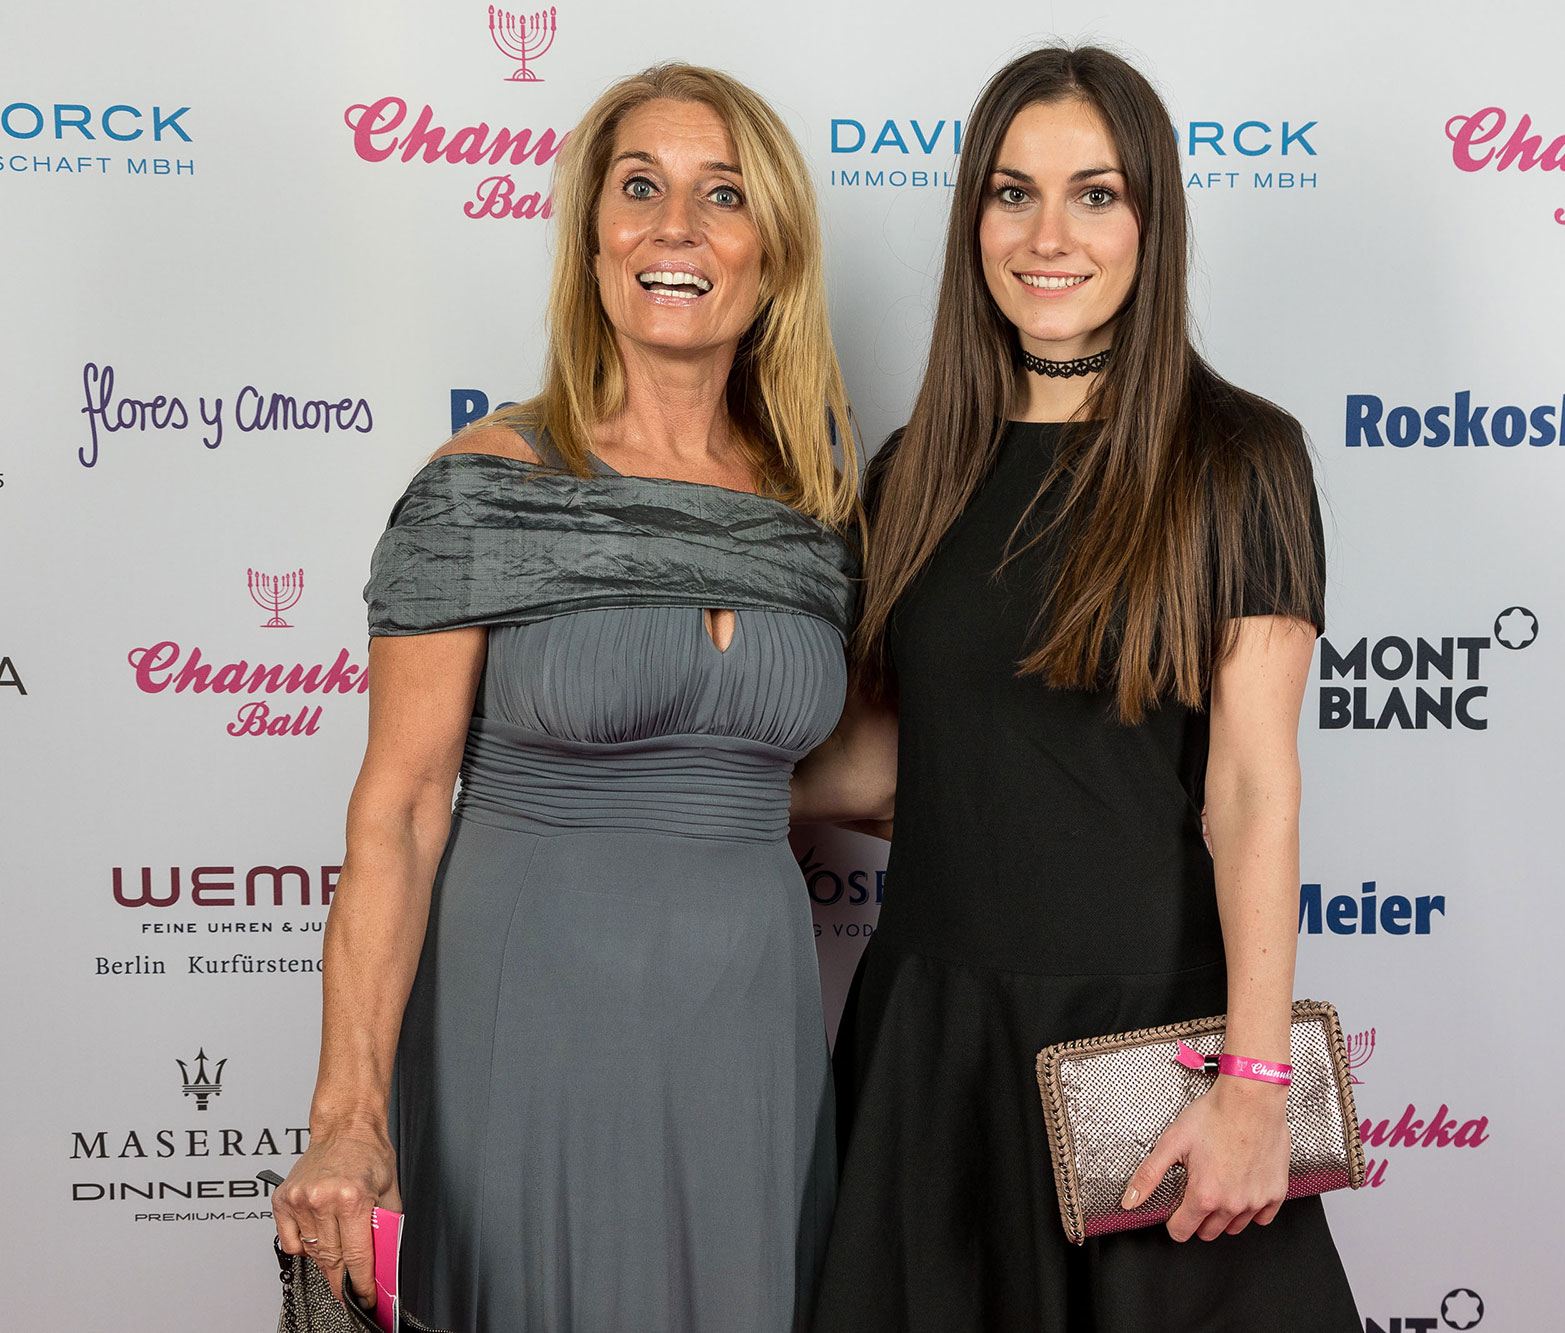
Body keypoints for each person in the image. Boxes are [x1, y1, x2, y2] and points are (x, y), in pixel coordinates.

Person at [272, 63, 861, 1332]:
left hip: (748, 1031)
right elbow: (402, 808)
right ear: (592, 240)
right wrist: (347, 1113)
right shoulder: (488, 483)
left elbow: (835, 772)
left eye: (722, 195)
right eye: (638, 188)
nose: (674, 228)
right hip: (531, 1014)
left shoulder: (817, 510)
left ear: (772, 250)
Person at [800, 45, 1364, 1332]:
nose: (1046, 236)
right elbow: (887, 769)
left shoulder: (1239, 459)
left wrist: (1253, 1081)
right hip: (932, 1042)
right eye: (1013, 194)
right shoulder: (913, 471)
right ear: (974, 219)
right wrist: (652, 791)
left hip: (1149, 1050)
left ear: (1149, 220)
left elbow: (1250, 788)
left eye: (1094, 194)